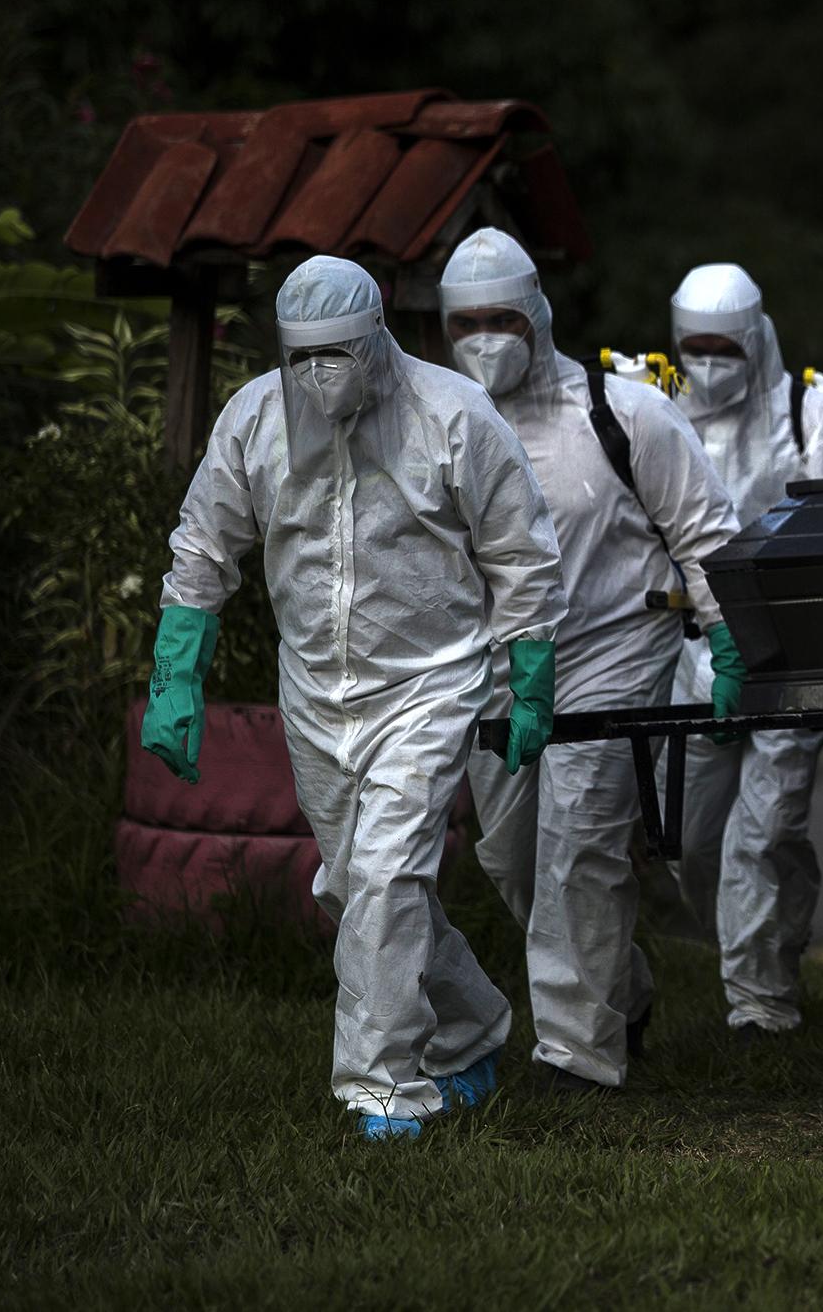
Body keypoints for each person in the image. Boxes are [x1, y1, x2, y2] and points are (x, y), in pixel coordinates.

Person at [142, 255, 567, 1140]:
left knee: (385, 875)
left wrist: (529, 674)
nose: (317, 373)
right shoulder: (256, 418)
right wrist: (176, 672)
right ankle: (478, 1022)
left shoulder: (451, 414)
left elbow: (519, 550)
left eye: (335, 351)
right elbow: (204, 546)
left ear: (376, 337)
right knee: (354, 887)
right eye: (300, 355)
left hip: (430, 679)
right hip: (315, 692)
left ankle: (381, 1087)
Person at [446, 229, 744, 1094]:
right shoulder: (445, 424)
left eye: (501, 317)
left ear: (538, 313)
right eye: (466, 322)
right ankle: (625, 991)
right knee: (510, 858)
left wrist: (728, 643)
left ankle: (576, 1055)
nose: (485, 338)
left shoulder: (625, 415)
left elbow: (703, 532)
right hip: (497, 664)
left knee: (580, 843)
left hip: (613, 648)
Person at [662, 262, 823, 1039]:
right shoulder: (659, 411)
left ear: (754, 337)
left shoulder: (807, 413)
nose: (707, 363)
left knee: (763, 829)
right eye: (692, 346)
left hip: (790, 656)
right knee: (694, 840)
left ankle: (761, 1001)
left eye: (723, 348)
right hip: (695, 650)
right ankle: (772, 926)